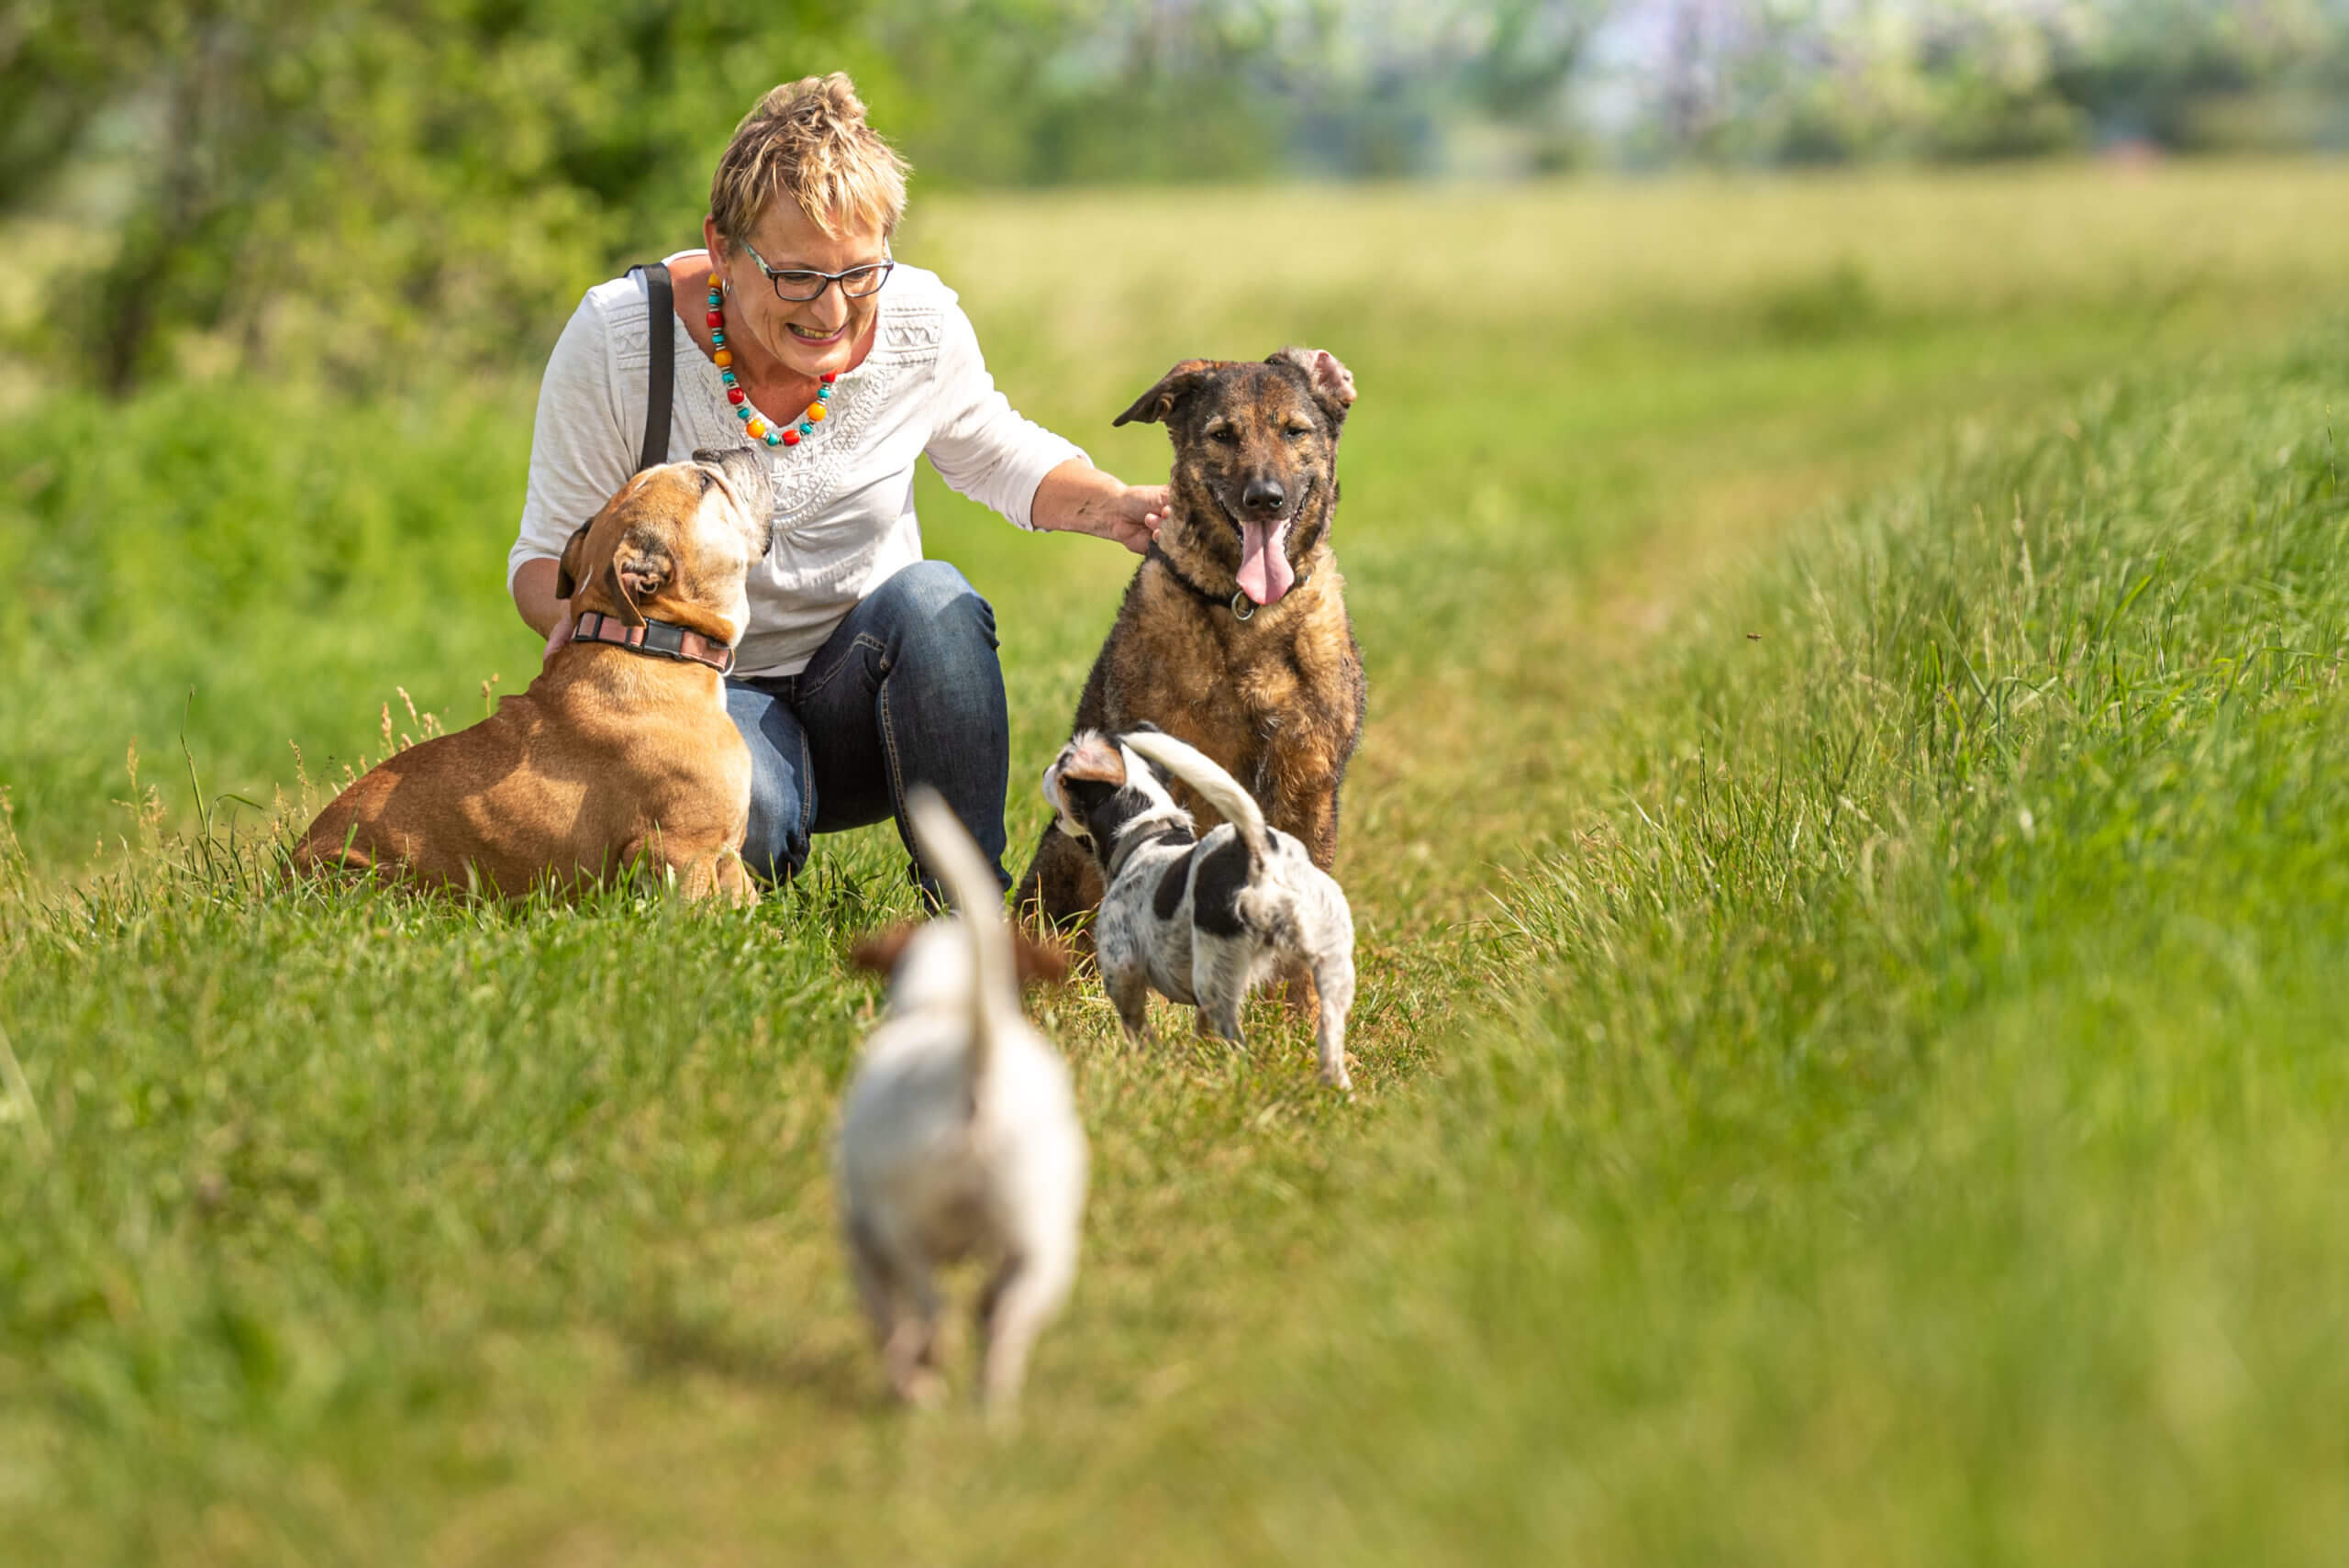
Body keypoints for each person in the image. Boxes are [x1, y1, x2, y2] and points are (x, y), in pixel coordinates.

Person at [507, 73, 1166, 899]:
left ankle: (969, 910)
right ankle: (761, 858)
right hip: (704, 698)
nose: (832, 311)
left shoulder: (918, 321)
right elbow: (543, 557)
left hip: (875, 700)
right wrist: (586, 626)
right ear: (722, 249)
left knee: (936, 600)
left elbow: (995, 450)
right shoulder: (618, 338)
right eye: (797, 278)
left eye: (860, 273)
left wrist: (1117, 507)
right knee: (752, 831)